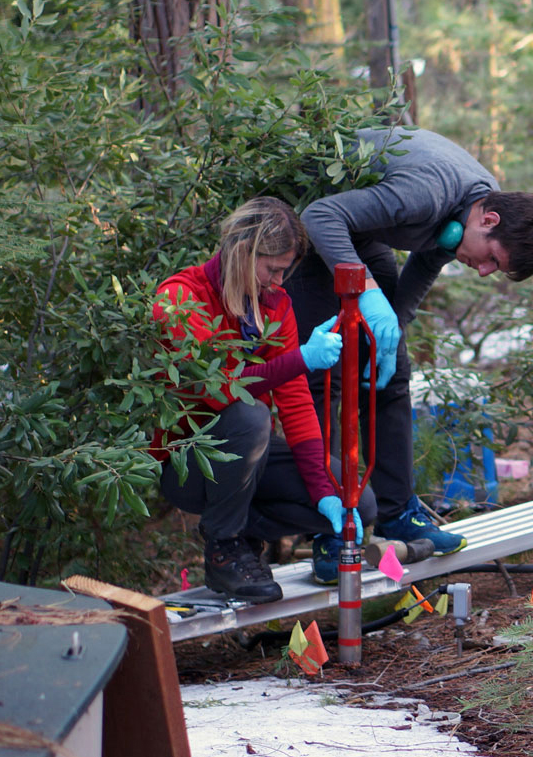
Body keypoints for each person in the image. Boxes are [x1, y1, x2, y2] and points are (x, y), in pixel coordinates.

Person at [287, 127, 533, 578]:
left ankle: (398, 514)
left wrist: (392, 322)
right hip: (310, 226)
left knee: (389, 376)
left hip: (362, 228)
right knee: (326, 378)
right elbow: (322, 215)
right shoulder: (427, 195)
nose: (485, 272)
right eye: (492, 258)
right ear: (488, 220)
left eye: (496, 270)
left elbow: (432, 254)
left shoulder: (472, 211)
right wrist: (368, 293)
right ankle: (328, 529)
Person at [152, 197, 371, 601]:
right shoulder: (179, 299)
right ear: (242, 251)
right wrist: (300, 359)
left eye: (285, 272)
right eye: (272, 269)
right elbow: (218, 389)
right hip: (189, 463)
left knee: (357, 498)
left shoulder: (273, 306)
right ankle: (224, 547)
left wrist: (323, 489)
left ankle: (245, 536)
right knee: (250, 416)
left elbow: (296, 404)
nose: (278, 282)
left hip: (248, 458)